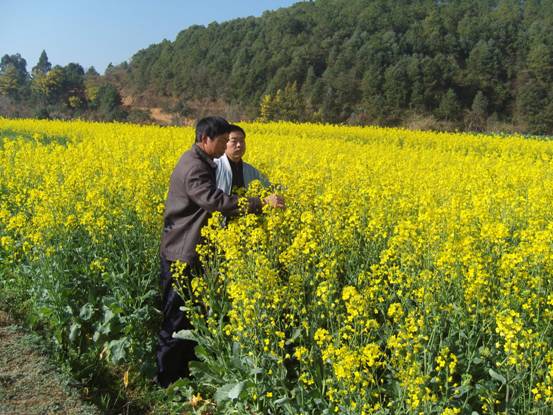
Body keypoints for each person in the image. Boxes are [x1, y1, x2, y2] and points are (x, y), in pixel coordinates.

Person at [157, 116, 284, 387]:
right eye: (224, 140)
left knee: (193, 316)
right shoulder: (195, 166)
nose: (228, 145)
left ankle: (183, 374)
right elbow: (214, 201)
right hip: (182, 251)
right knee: (177, 318)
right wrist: (259, 204)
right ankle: (166, 381)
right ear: (206, 139)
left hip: (193, 250)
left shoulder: (204, 162)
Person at [214, 124, 270, 195]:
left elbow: (269, 188)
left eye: (242, 141)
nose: (239, 145)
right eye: (234, 141)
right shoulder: (215, 166)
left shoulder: (251, 171)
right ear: (224, 142)